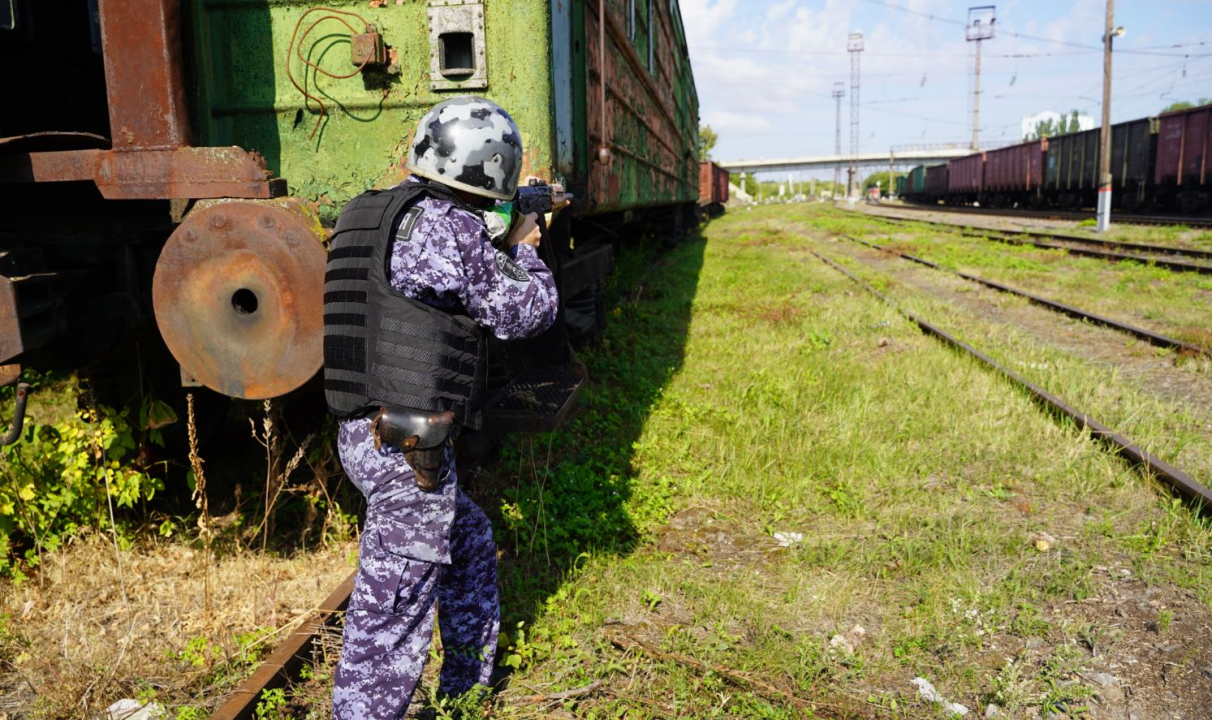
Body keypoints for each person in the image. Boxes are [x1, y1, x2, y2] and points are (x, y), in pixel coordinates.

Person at [322, 96, 565, 719]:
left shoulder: (370, 209)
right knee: (392, 615)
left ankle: (465, 688)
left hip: (361, 431)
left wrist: (509, 226)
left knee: (472, 538)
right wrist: (525, 245)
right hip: (409, 452)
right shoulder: (448, 228)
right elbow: (526, 313)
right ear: (490, 166)